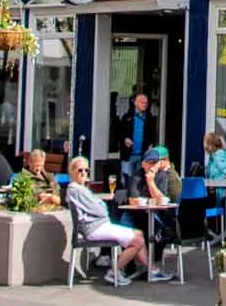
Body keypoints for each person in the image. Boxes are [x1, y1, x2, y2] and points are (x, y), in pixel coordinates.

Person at [64, 156, 165, 285]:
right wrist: (101, 204)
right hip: (94, 228)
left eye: (86, 170)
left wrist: (99, 204)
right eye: (80, 170)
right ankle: (114, 271)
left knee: (138, 233)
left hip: (98, 225)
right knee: (137, 240)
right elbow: (100, 210)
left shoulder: (80, 189)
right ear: (72, 171)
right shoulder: (77, 190)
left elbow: (98, 207)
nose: (84, 173)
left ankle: (151, 270)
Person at [119, 90, 158, 176]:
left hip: (143, 156)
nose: (144, 104)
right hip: (128, 156)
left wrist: (151, 145)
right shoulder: (127, 117)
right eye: (142, 102)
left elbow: (152, 135)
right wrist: (125, 139)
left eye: (146, 103)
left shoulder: (149, 118)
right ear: (135, 103)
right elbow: (119, 133)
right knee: (126, 180)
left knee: (140, 180)